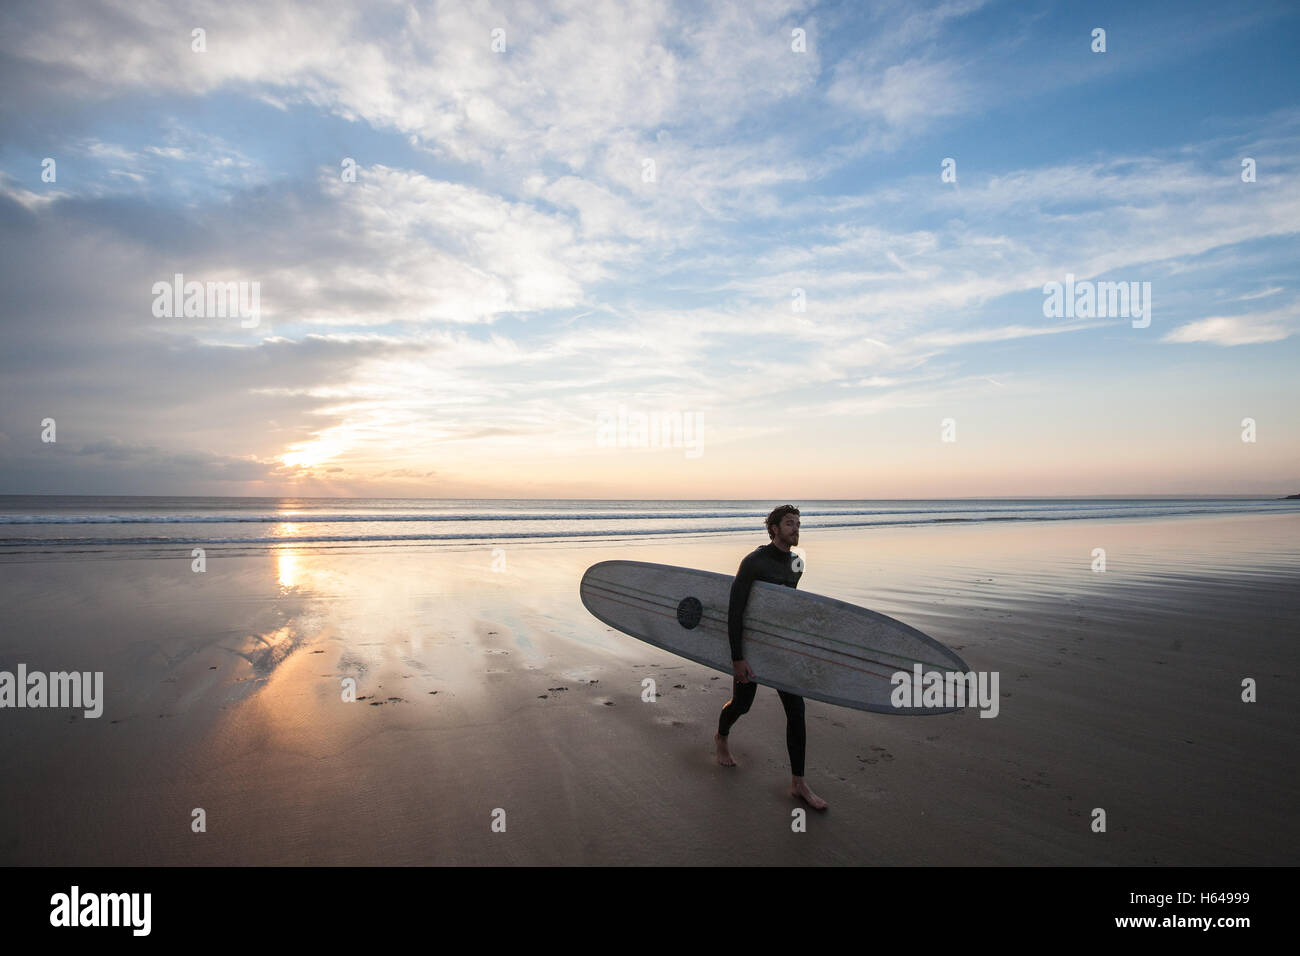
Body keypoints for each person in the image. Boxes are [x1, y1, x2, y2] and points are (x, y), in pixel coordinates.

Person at [715, 504, 827, 810]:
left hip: (780, 651)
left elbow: (785, 611)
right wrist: (738, 658)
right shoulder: (753, 562)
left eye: (798, 523)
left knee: (797, 711)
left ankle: (798, 783)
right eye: (790, 523)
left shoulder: (797, 565)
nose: (796, 528)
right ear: (774, 528)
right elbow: (735, 612)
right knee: (742, 704)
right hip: (752, 649)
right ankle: (722, 736)